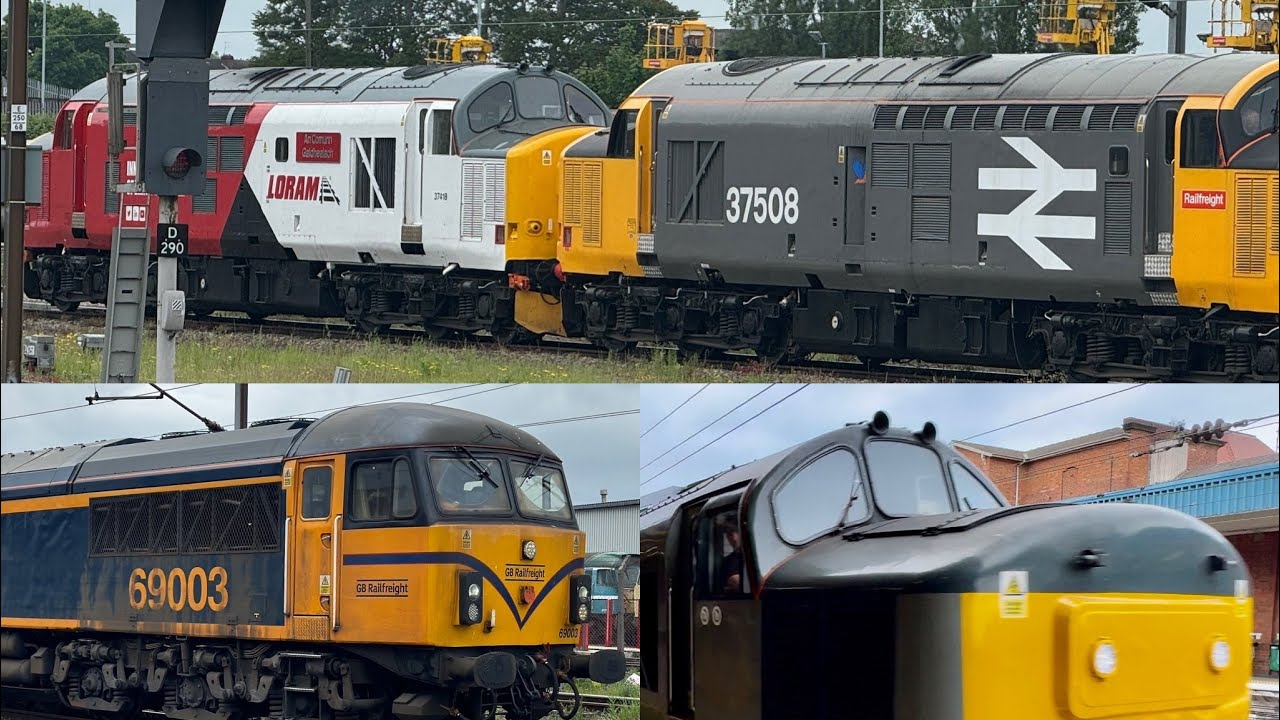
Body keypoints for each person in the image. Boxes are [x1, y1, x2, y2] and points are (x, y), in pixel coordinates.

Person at [717, 514, 744, 593]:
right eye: (729, 533)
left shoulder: (758, 557)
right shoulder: (726, 562)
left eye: (737, 532)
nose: (734, 538)